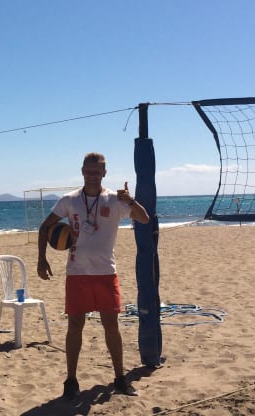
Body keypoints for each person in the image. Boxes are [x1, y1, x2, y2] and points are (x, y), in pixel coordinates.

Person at [37, 152, 150, 400]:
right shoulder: (70, 200)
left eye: (96, 171)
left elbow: (144, 218)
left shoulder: (115, 200)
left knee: (111, 326)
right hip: (77, 274)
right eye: (88, 171)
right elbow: (45, 227)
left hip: (106, 273)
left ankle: (120, 379)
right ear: (82, 171)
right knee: (75, 326)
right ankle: (71, 381)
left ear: (104, 173)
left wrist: (131, 200)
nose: (92, 175)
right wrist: (42, 259)